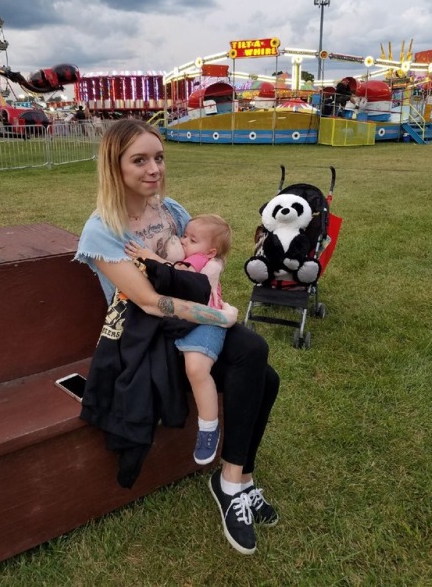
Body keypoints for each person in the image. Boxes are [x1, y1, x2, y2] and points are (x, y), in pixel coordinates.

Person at [75, 119, 280, 555]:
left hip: (187, 325)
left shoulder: (171, 210)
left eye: (159, 157)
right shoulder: (103, 230)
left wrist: (213, 300)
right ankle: (231, 484)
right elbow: (149, 302)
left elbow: (200, 263)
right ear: (114, 166)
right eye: (140, 160)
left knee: (267, 376)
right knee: (253, 351)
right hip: (147, 337)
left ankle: (237, 477)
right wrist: (219, 316)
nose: (155, 169)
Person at [125, 213, 232, 466]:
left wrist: (148, 256)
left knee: (196, 370)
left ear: (211, 250)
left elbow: (176, 275)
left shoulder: (201, 261)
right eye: (184, 235)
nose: (184, 242)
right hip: (191, 321)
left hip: (206, 322)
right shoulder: (202, 257)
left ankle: (208, 428)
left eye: (192, 239)